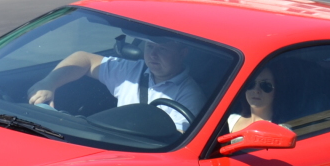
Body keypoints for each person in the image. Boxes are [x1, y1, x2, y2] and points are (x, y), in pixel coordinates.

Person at [27, 36, 204, 132]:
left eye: (162, 49)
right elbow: (85, 59)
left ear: (183, 54)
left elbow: (176, 141)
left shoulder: (190, 96)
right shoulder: (132, 70)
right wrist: (49, 83)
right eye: (149, 47)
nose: (152, 55)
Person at [227, 67, 276, 133]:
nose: (256, 90)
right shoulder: (230, 121)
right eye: (251, 84)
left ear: (276, 90)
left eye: (265, 85)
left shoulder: (282, 130)